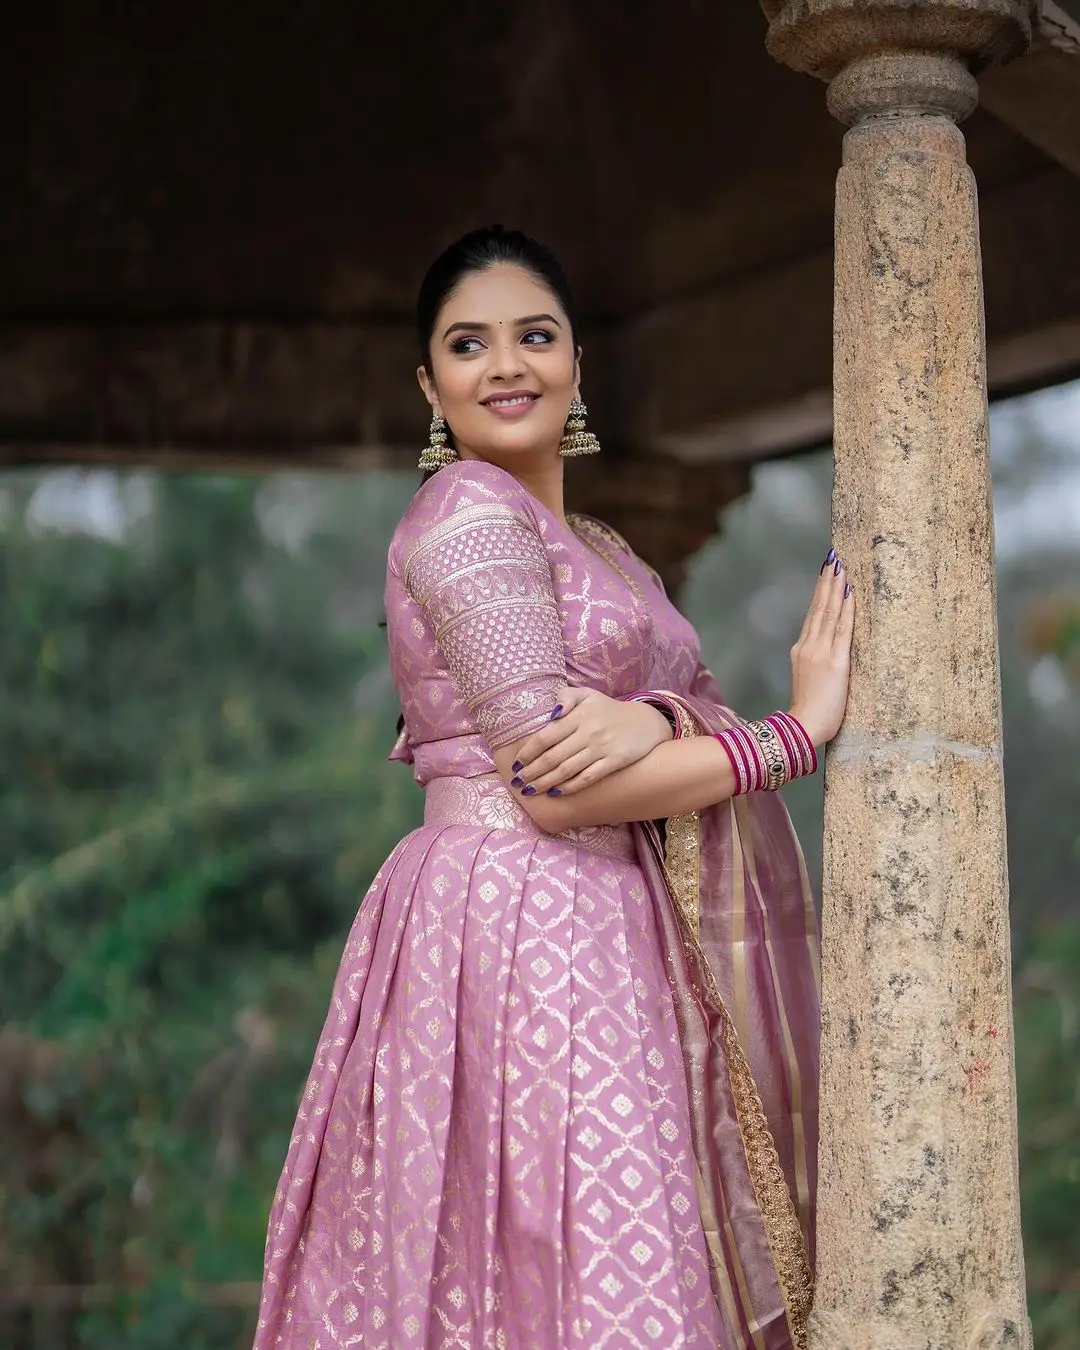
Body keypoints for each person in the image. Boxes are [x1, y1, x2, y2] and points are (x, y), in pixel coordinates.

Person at [253, 226, 854, 1350]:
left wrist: (652, 720)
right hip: (521, 922)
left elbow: (676, 718)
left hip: (612, 924)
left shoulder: (606, 548)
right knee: (564, 1255)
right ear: (431, 386)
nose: (508, 365)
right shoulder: (469, 517)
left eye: (536, 335)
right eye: (469, 346)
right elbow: (553, 790)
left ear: (578, 362)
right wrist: (796, 734)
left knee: (599, 1254)